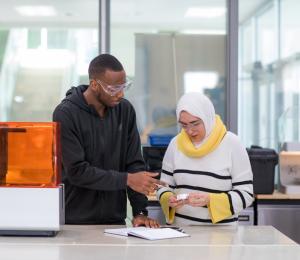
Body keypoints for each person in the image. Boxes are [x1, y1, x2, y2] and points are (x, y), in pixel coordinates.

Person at [53, 54, 164, 227]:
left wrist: (140, 211)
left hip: (115, 222)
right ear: (94, 85)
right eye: (113, 89)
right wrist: (127, 179)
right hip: (75, 222)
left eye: (124, 86)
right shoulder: (65, 114)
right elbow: (77, 171)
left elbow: (134, 165)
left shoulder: (125, 110)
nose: (120, 94)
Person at [156, 92, 253, 225]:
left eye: (195, 123)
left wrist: (210, 200)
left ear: (208, 117)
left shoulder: (232, 143)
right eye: (184, 125)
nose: (190, 131)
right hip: (180, 234)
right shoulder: (175, 144)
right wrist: (168, 198)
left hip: (221, 237)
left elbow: (246, 194)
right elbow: (163, 187)